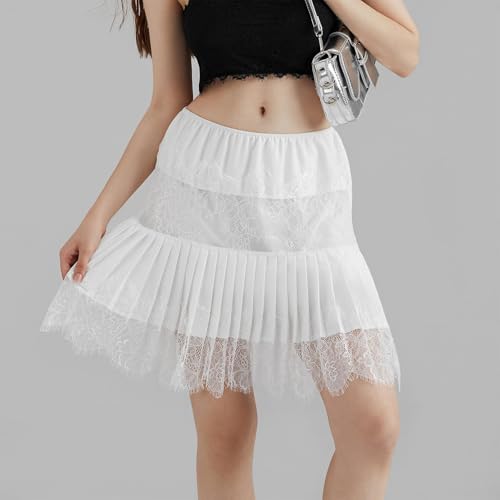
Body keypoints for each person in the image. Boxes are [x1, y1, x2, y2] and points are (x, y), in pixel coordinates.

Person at [40, 0, 419, 498]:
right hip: (205, 191)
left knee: (373, 427)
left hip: (308, 192)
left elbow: (405, 53)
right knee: (225, 431)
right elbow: (166, 102)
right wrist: (98, 215)